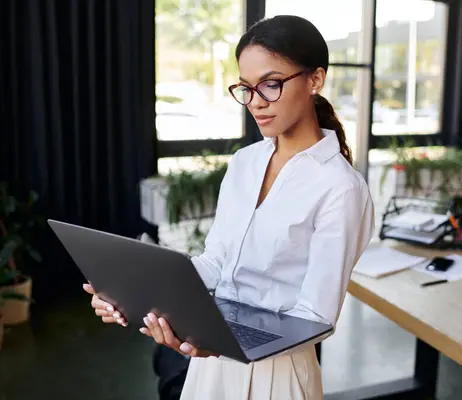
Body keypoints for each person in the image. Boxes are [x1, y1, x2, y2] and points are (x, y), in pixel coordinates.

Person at [83, 15, 375, 400]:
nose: (255, 103)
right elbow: (217, 264)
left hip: (276, 375)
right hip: (211, 365)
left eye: (271, 85)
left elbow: (314, 319)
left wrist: (222, 342)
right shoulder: (245, 163)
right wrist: (134, 292)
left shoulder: (341, 188)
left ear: (316, 79)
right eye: (246, 88)